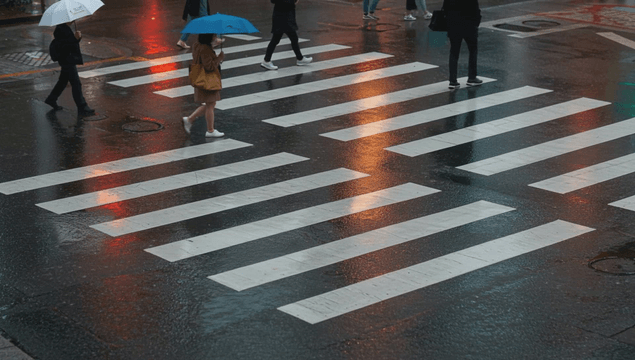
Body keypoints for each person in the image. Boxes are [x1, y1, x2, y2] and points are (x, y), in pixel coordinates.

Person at [44, 21, 95, 117]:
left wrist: (77, 38)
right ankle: (82, 106)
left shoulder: (64, 28)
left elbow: (70, 44)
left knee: (63, 81)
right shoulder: (61, 30)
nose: (73, 20)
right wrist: (75, 38)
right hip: (67, 60)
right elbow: (65, 47)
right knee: (76, 83)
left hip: (67, 59)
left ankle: (51, 99)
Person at [182, 34, 225, 138]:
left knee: (210, 103)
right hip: (207, 80)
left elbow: (202, 56)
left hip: (200, 78)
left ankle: (189, 119)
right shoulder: (205, 48)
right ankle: (210, 130)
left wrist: (213, 46)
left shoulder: (197, 45)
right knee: (210, 105)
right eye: (214, 36)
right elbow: (209, 66)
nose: (215, 37)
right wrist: (219, 58)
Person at [261, 0, 312, 70]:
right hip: (282, 17)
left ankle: (300, 58)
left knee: (292, 38)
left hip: (284, 16)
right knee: (276, 39)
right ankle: (266, 60)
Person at [443, 0, 483, 89]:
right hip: (469, 25)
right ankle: (472, 77)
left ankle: (453, 81)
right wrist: (476, 23)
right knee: (473, 50)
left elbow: (445, 7)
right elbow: (475, 9)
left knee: (454, 52)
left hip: (453, 24)